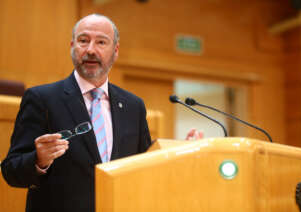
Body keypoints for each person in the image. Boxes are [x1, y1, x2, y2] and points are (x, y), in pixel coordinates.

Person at [1, 14, 202, 212]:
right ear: (72, 47)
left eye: (101, 42)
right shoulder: (42, 98)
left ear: (115, 51)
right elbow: (11, 170)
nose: (90, 50)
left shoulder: (134, 106)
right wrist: (38, 160)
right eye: (83, 41)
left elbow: (144, 169)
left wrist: (181, 153)